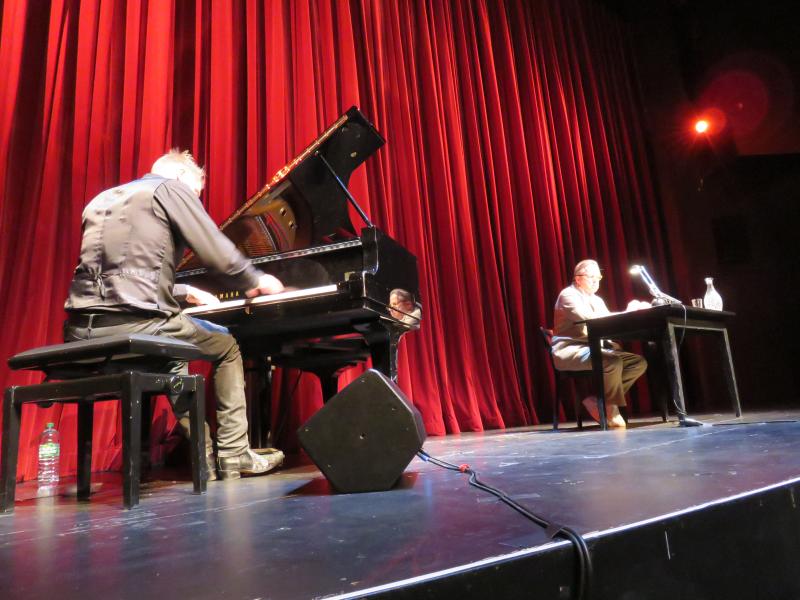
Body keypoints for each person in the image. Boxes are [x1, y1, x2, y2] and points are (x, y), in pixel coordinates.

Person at [63, 149, 285, 480]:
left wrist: (182, 291)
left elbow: (115, 270)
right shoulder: (171, 188)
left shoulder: (101, 199)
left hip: (81, 329)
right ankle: (235, 454)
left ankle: (204, 456)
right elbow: (215, 250)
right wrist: (255, 279)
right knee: (226, 346)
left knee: (172, 357)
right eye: (196, 194)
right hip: (141, 322)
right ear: (181, 178)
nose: (194, 201)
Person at [551, 259, 649, 428]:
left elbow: (609, 326)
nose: (596, 281)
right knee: (612, 361)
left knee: (638, 362)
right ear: (578, 278)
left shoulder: (598, 300)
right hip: (571, 350)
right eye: (591, 276)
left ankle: (598, 400)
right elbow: (591, 320)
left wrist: (632, 314)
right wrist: (626, 313)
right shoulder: (568, 295)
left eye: (599, 276)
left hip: (596, 348)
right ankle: (609, 409)